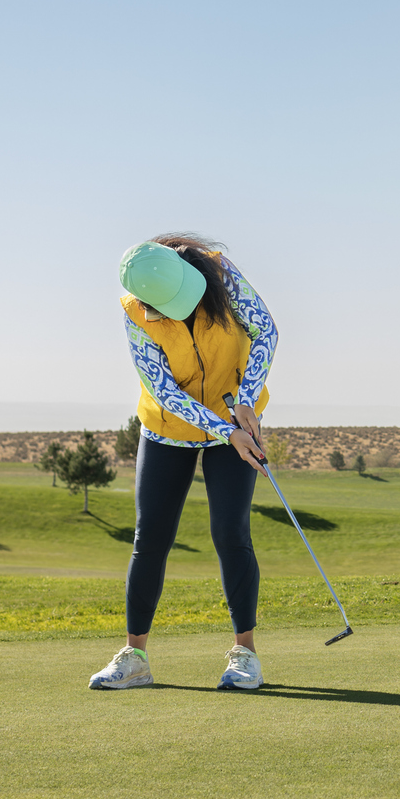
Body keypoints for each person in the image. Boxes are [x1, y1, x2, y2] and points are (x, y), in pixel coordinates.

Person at [89, 234, 277, 692]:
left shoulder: (220, 272)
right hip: (169, 428)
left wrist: (246, 402)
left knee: (231, 533)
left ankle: (245, 657)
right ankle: (135, 658)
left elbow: (265, 331)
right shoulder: (136, 314)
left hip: (234, 415)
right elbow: (165, 392)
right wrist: (226, 431)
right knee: (149, 536)